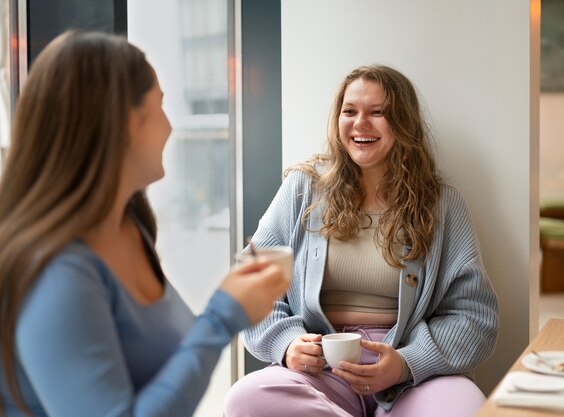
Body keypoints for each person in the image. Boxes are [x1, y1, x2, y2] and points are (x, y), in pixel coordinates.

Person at [0, 30, 290, 417]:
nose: (170, 126)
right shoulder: (57, 271)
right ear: (124, 123)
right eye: (160, 107)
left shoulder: (130, 226)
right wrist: (222, 317)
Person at [224, 65, 499, 417]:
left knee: (465, 407)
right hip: (321, 374)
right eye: (350, 111)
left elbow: (474, 317)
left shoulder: (442, 204)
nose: (360, 124)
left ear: (403, 123)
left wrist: (404, 363)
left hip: (411, 376)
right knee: (246, 399)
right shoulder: (302, 189)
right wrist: (286, 342)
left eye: (378, 113)